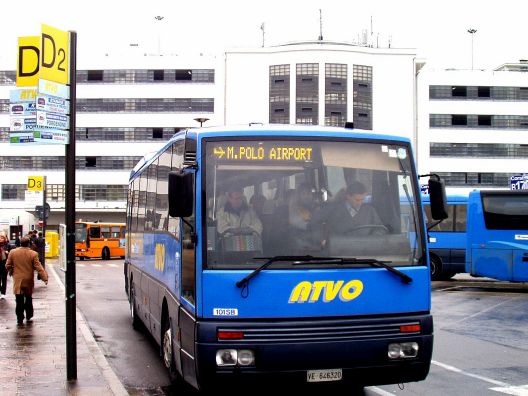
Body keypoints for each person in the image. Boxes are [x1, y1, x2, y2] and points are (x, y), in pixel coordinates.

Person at [5, 236, 48, 325]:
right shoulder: (33, 254)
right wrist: (45, 278)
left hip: (17, 279)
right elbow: (38, 267)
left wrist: (12, 272)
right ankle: (29, 315)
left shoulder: (13, 252)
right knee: (28, 298)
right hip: (28, 278)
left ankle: (19, 318)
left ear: (20, 243)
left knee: (18, 299)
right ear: (29, 243)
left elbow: (8, 265)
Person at [216, 187, 263, 252]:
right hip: (230, 249)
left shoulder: (250, 211)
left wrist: (240, 231)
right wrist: (247, 230)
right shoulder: (222, 213)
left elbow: (258, 226)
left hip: (250, 248)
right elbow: (222, 229)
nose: (239, 201)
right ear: (230, 199)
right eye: (236, 198)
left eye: (240, 198)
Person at [288, 183, 320, 251]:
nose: (306, 196)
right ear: (299, 196)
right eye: (303, 193)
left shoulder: (317, 207)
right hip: (302, 246)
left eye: (308, 193)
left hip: (318, 242)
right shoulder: (295, 209)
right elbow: (302, 225)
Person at [0, 233, 8, 300]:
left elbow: (11, 254)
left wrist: (7, 252)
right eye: (0, 237)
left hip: (5, 264)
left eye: (2, 238)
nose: (1, 239)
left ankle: (3, 293)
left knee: (4, 279)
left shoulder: (7, 245)